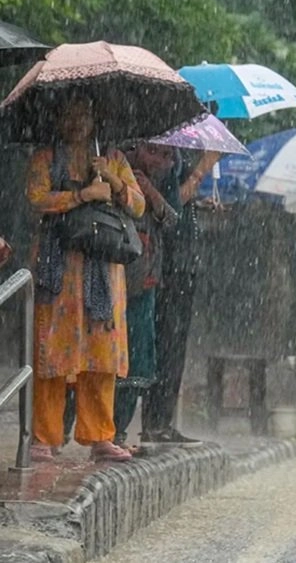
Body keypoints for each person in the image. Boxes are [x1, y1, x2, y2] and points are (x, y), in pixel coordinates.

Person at [27, 97, 145, 462]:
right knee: (52, 354)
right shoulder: (46, 158)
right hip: (58, 266)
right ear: (58, 118)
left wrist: (110, 179)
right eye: (68, 113)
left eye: (84, 114)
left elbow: (138, 206)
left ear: (95, 119)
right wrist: (82, 195)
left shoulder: (113, 158)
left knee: (101, 354)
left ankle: (99, 436)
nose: (77, 121)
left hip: (103, 270)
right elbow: (36, 199)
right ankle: (45, 437)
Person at [139, 149, 218, 449]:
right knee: (166, 342)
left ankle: (164, 421)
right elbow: (170, 207)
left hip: (183, 263)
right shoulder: (164, 155)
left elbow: (182, 202)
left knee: (175, 344)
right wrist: (202, 169)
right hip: (167, 264)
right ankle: (156, 422)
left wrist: (199, 202)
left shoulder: (176, 154)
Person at [113, 143, 179, 449]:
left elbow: (172, 220)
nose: (162, 161)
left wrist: (151, 191)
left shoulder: (166, 176)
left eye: (168, 156)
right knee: (106, 360)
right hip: (113, 279)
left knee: (138, 363)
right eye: (155, 152)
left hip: (146, 282)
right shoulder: (113, 163)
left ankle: (119, 430)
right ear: (138, 147)